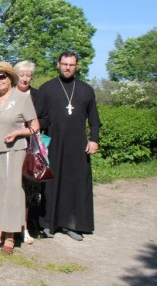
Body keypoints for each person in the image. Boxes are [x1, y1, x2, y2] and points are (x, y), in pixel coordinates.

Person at [38, 52, 101, 241]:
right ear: (58, 64)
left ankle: (72, 224)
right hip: (53, 144)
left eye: (71, 65)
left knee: (75, 185)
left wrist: (94, 140)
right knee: (50, 184)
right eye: (64, 64)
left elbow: (95, 119)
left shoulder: (86, 90)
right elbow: (38, 117)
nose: (67, 67)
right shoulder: (47, 89)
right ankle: (48, 224)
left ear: (76, 66)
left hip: (78, 146)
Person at [0, 61, 39, 255]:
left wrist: (17, 133)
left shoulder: (22, 98)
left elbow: (35, 126)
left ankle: (10, 236)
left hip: (15, 152)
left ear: (10, 78)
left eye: (2, 77)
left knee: (13, 192)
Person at [14, 60, 49, 244]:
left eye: (28, 75)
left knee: (28, 189)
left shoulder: (38, 95)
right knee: (13, 188)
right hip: (11, 145)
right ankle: (9, 226)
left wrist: (31, 124)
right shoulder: (9, 93)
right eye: (22, 75)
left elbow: (46, 119)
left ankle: (26, 227)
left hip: (31, 147)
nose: (25, 78)